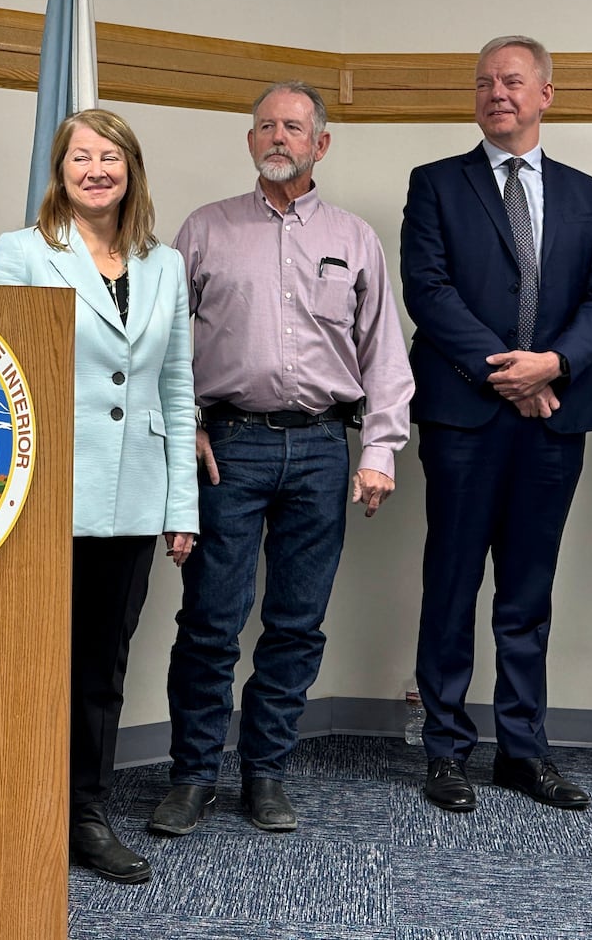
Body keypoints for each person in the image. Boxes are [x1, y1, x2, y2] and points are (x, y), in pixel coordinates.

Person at [150, 81, 414, 837]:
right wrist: (184, 427)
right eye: (265, 125)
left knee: (297, 623)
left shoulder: (356, 238)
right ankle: (193, 773)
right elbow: (165, 345)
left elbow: (384, 355)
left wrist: (381, 451)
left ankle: (266, 773)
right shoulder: (203, 231)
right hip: (227, 447)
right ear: (250, 141)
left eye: (293, 127)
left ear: (320, 145)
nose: (278, 136)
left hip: (324, 450)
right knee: (210, 619)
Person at [400, 35, 592, 813]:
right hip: (464, 415)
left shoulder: (587, 192)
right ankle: (447, 750)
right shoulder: (436, 184)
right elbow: (428, 293)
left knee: (528, 591)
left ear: (545, 94)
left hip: (556, 417)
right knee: (453, 583)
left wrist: (551, 366)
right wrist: (510, 371)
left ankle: (523, 750)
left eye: (514, 81)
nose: (498, 92)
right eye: (486, 81)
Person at [0, 108, 198, 883]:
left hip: (135, 492)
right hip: (43, 491)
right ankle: (16, 804)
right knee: (32, 656)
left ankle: (83, 808)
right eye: (82, 156)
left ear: (131, 169)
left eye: (111, 156)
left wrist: (183, 507)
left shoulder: (164, 263)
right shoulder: (23, 252)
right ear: (61, 168)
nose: (96, 169)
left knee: (102, 662)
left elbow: (177, 386)